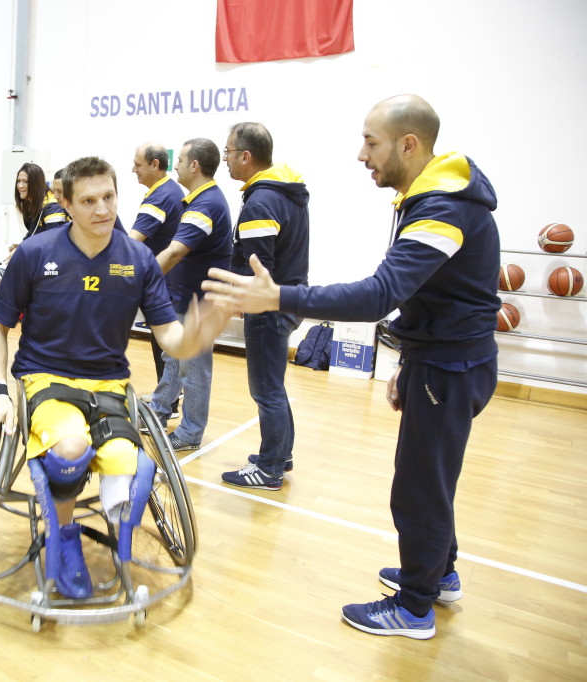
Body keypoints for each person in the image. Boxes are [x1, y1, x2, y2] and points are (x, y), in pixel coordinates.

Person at [202, 95, 500, 639]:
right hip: (442, 360)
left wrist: (279, 297)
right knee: (432, 478)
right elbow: (426, 294)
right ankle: (439, 574)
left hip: (452, 366)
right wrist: (410, 360)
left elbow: (380, 294)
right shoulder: (433, 196)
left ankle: (414, 608)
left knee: (418, 488)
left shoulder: (444, 207)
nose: (362, 154)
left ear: (408, 144)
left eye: (371, 142)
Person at [0, 156, 219, 599]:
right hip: (44, 378)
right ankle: (66, 536)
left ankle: (116, 533)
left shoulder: (138, 259)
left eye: (108, 197)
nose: (102, 209)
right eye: (88, 200)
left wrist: (197, 336)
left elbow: (169, 336)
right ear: (65, 204)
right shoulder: (35, 255)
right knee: (71, 449)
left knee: (126, 465)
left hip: (109, 385)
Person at [219, 122, 310, 491]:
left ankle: (270, 468)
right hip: (291, 298)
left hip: (270, 308)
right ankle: (280, 453)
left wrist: (233, 300)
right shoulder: (285, 193)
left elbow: (259, 271)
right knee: (274, 386)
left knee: (266, 390)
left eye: (228, 152)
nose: (225, 159)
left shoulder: (260, 202)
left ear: (245, 155)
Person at [149, 138, 232, 451]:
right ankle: (158, 409)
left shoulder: (206, 205)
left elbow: (173, 254)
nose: (176, 164)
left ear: (195, 165)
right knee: (175, 356)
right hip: (187, 297)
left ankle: (191, 432)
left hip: (200, 301)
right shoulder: (200, 201)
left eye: (180, 159)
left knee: (194, 367)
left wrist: (137, 280)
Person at [130, 141, 186, 417]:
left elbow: (133, 241)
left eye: (138, 164)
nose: (133, 170)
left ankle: (169, 403)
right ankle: (168, 395)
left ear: (155, 165)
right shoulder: (170, 190)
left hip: (163, 282)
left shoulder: (160, 196)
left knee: (164, 345)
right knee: (164, 344)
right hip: (170, 281)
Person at [15, 162, 67, 241]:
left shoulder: (52, 207)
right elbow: (32, 233)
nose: (20, 186)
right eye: (18, 181)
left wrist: (22, 248)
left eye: (25, 181)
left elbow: (54, 241)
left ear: (36, 184)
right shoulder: (30, 203)